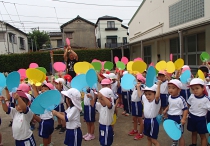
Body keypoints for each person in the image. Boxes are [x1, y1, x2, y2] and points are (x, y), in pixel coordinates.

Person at [163, 79, 188, 146]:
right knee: (173, 132)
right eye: (169, 87)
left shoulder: (181, 99)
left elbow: (185, 109)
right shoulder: (170, 97)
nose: (170, 89)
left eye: (173, 88)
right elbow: (170, 104)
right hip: (170, 117)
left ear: (179, 90)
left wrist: (183, 119)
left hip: (178, 118)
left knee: (180, 134)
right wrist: (166, 110)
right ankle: (175, 143)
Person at [187, 78, 210, 146]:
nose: (195, 91)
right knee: (193, 132)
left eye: (197, 88)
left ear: (203, 88)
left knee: (202, 135)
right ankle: (193, 144)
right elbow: (188, 104)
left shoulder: (206, 99)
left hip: (201, 119)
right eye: (193, 89)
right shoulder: (191, 96)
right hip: (192, 117)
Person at [142, 81, 162, 146]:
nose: (147, 96)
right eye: (146, 94)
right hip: (146, 121)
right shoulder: (145, 99)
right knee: (148, 138)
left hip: (152, 121)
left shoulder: (156, 101)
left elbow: (157, 96)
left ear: (155, 94)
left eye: (150, 94)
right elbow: (140, 95)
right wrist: (138, 87)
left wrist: (158, 85)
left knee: (154, 140)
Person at [128, 74, 145, 140]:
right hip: (133, 103)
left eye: (139, 81)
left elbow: (140, 96)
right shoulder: (134, 87)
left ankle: (141, 133)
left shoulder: (141, 88)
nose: (137, 82)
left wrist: (138, 87)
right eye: (137, 80)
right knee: (134, 118)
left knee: (140, 119)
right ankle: (135, 130)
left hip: (138, 104)